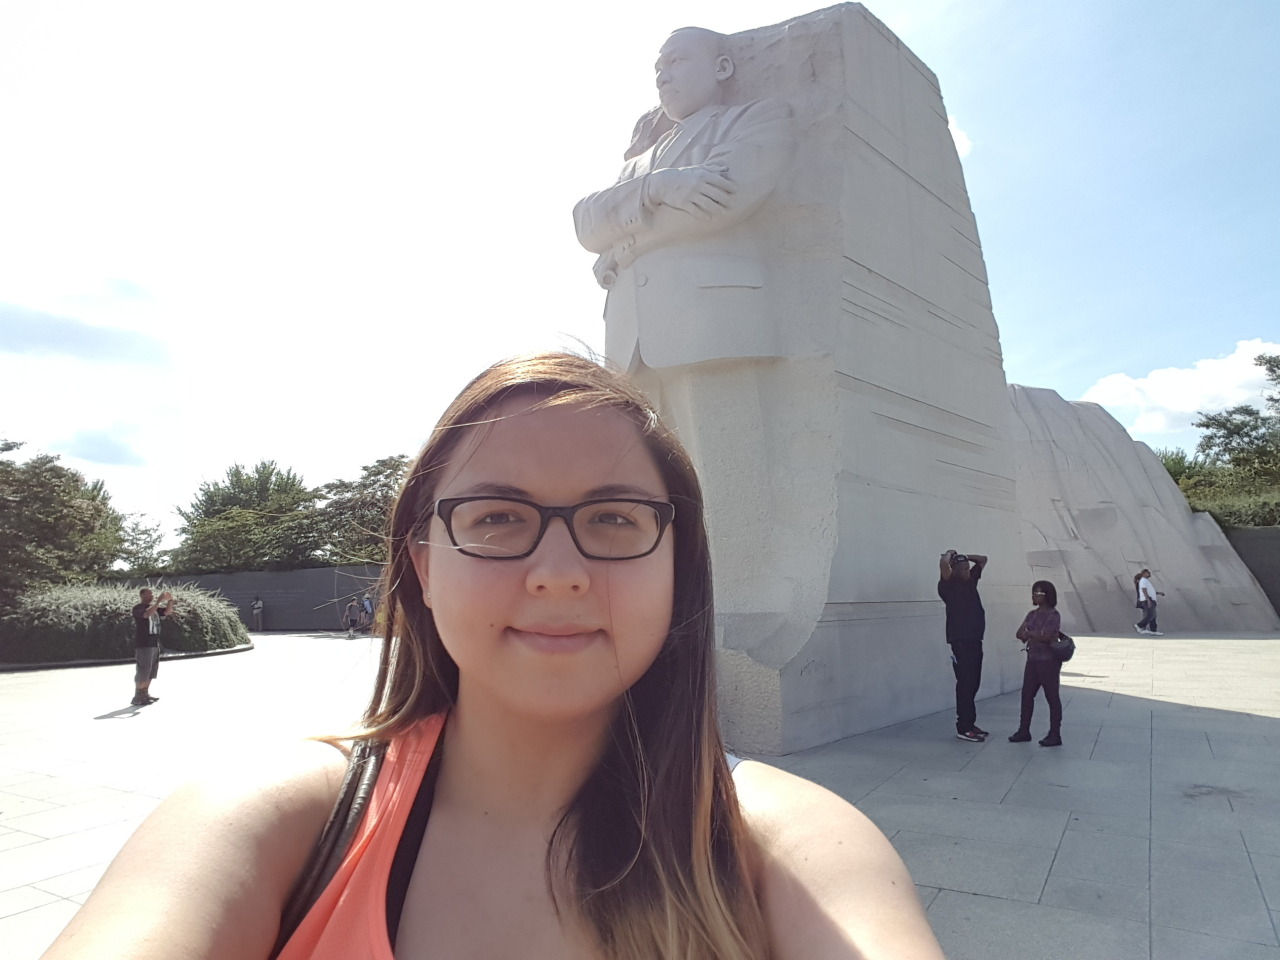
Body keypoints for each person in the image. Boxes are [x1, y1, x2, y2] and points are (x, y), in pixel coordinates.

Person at [42, 353, 944, 960]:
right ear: (425, 569)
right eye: (498, 519)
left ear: (680, 567)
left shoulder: (789, 851)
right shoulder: (274, 821)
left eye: (615, 520)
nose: (558, 574)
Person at [937, 549, 990, 742]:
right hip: (961, 642)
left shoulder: (971, 582)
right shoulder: (948, 586)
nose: (968, 571)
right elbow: (943, 565)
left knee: (974, 682)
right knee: (965, 684)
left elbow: (983, 559)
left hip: (976, 640)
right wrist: (949, 556)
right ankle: (963, 727)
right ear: (954, 569)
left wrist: (966, 556)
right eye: (964, 568)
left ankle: (971, 722)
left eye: (968, 568)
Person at [1008, 580, 1064, 747]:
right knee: (1027, 696)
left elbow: (1047, 635)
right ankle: (1024, 730)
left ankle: (1055, 734)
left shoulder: (1054, 615)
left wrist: (1031, 634)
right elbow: (1019, 633)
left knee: (1052, 697)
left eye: (1036, 593)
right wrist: (1034, 634)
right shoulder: (1032, 614)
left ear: (1046, 595)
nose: (1033, 596)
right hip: (1032, 660)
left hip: (1049, 662)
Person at [130, 588, 176, 706]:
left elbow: (167, 612)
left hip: (154, 642)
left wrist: (170, 600)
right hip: (143, 643)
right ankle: (138, 696)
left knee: (151, 670)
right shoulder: (138, 608)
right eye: (148, 594)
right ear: (142, 595)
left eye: (152, 594)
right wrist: (159, 601)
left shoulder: (154, 608)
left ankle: (144, 693)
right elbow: (146, 614)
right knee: (143, 670)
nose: (151, 595)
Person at [1134, 568, 1165, 636]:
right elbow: (1144, 590)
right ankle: (1139, 625)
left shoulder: (1145, 581)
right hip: (1147, 600)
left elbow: (1150, 591)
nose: (1150, 574)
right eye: (1148, 573)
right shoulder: (1143, 581)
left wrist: (1158, 593)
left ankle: (1153, 630)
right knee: (1151, 615)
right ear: (1144, 573)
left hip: (1149, 599)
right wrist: (1148, 600)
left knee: (1153, 615)